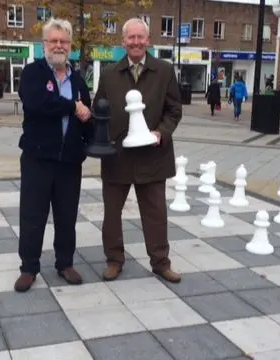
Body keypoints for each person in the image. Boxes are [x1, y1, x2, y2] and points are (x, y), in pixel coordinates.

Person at [93, 17, 183, 283]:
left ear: (148, 40)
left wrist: (161, 133)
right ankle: (114, 260)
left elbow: (174, 110)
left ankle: (160, 262)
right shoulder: (109, 74)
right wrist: (100, 140)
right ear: (123, 42)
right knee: (111, 214)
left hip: (153, 156)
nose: (135, 42)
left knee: (155, 214)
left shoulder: (164, 71)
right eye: (130, 38)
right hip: (117, 157)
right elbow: (100, 110)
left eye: (140, 37)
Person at [14, 18, 93, 292]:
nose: (58, 46)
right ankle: (29, 267)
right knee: (33, 214)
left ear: (70, 46)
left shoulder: (79, 79)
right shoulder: (33, 72)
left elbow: (87, 116)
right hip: (37, 158)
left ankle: (65, 262)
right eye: (53, 41)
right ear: (44, 44)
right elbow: (38, 104)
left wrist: (91, 139)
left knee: (66, 215)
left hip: (69, 161)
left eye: (64, 41)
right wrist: (73, 107)